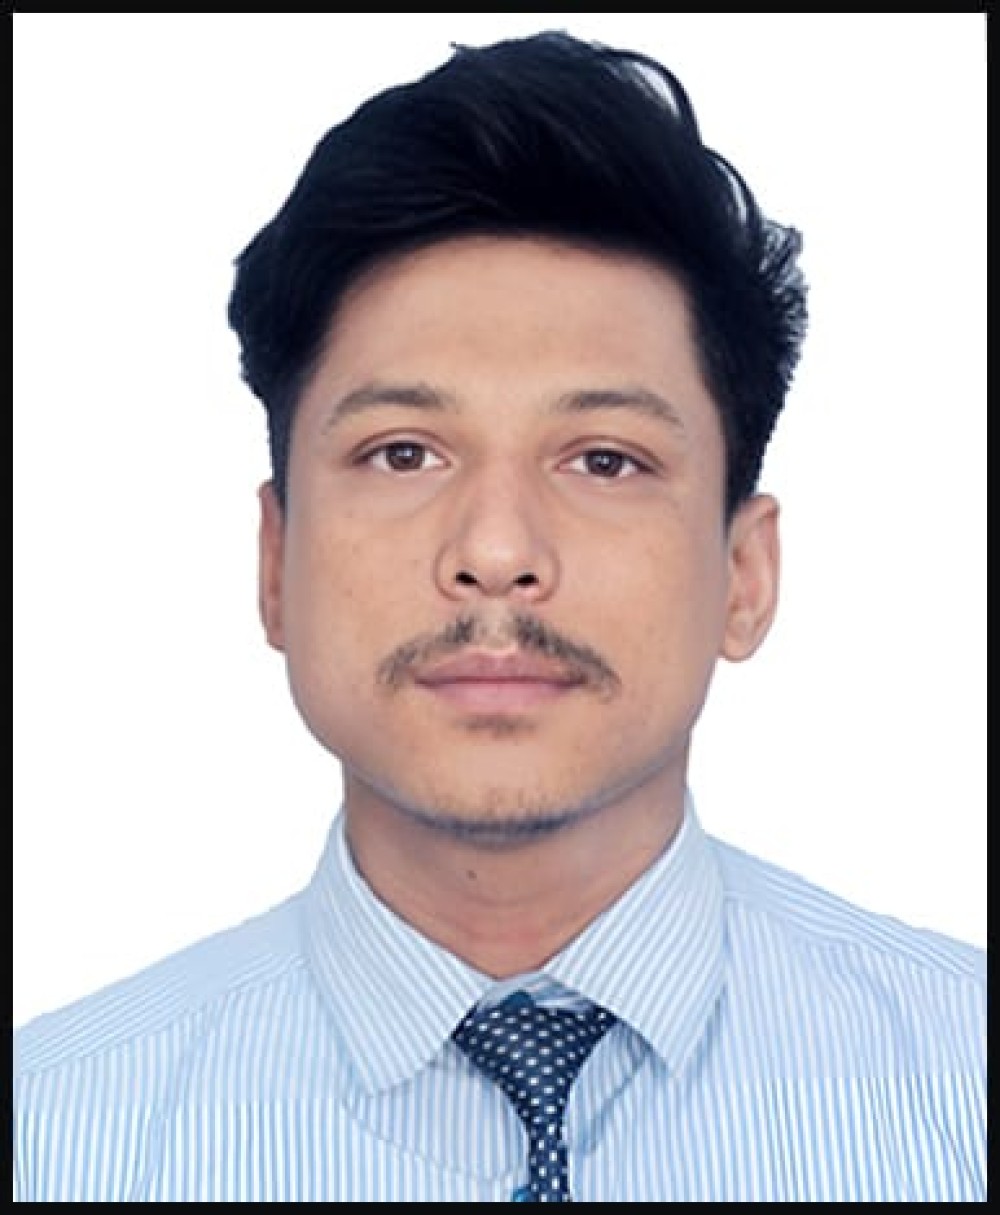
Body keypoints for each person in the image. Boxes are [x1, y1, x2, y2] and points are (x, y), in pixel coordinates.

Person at [12, 28, 985, 1203]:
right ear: (275, 560)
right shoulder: (52, 1137)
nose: (495, 554)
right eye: (403, 452)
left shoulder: (965, 1092)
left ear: (744, 573)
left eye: (605, 460)